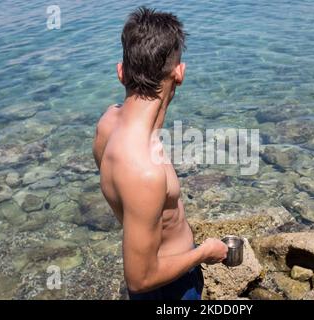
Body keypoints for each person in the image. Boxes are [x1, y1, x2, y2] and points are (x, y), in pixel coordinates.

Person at [92, 7, 228, 300]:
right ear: (180, 73)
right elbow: (140, 279)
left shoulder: (106, 125)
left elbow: (128, 204)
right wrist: (204, 252)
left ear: (121, 72)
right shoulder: (145, 171)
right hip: (168, 291)